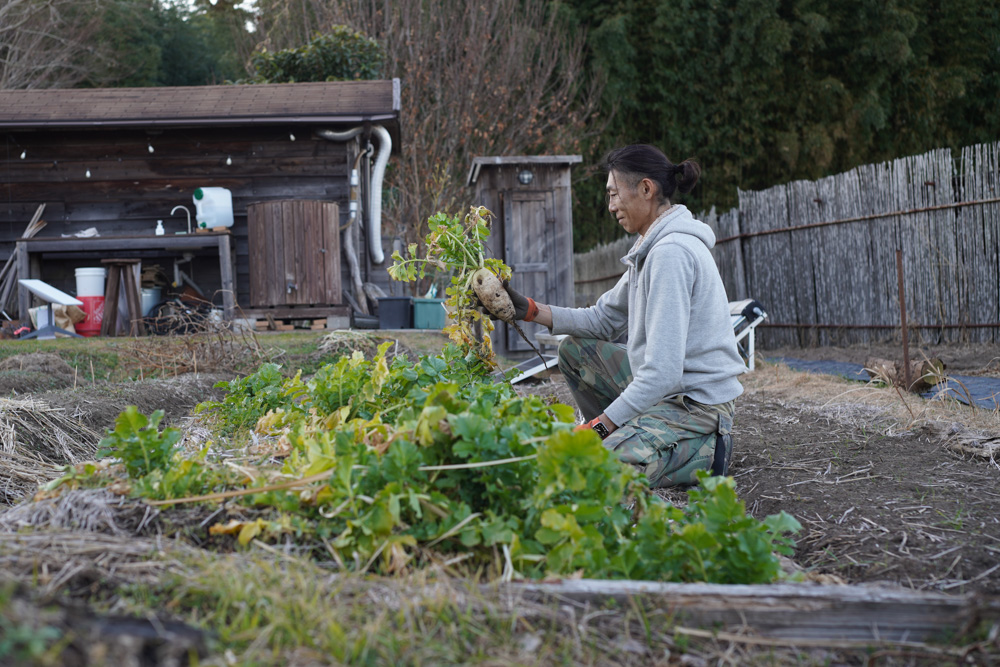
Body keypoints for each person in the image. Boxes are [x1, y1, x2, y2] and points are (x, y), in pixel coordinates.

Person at [489, 144, 747, 487]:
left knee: (600, 470)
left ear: (645, 189)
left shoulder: (671, 254)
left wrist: (600, 427)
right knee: (576, 350)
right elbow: (603, 319)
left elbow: (663, 373)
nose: (610, 206)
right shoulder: (649, 248)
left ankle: (703, 452)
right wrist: (531, 311)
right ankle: (633, 431)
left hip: (697, 408)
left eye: (614, 194)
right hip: (667, 394)